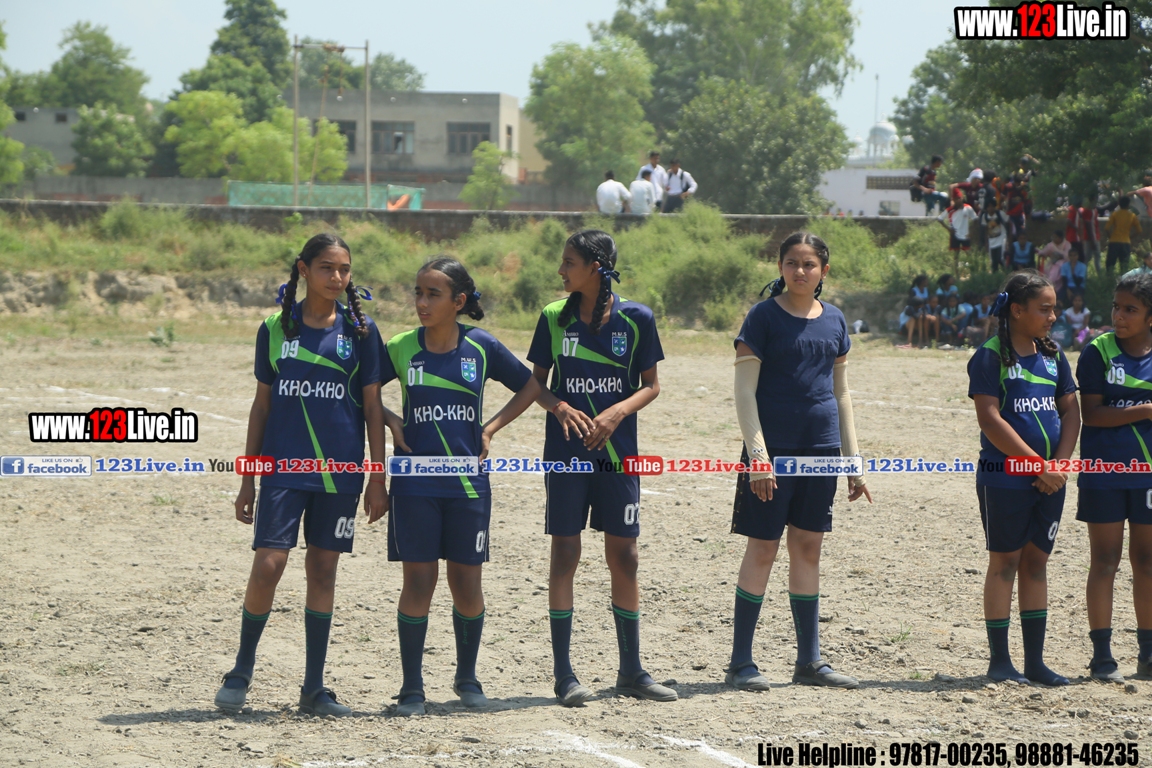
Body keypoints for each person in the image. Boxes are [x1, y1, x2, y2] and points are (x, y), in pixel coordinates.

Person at [214, 233, 388, 717]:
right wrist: (248, 478)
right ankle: (240, 670)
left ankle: (313, 687)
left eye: (345, 269)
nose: (337, 277)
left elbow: (373, 408)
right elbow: (261, 407)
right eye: (327, 267)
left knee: (323, 570)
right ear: (304, 269)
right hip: (284, 471)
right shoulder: (275, 328)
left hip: (340, 474)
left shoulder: (361, 331)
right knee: (269, 565)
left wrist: (377, 476)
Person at [380, 257, 541, 717]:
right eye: (418, 292)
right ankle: (411, 688)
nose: (421, 302)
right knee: (419, 580)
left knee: (467, 583)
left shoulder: (481, 346)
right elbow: (360, 390)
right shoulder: (400, 347)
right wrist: (391, 419)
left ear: (459, 301)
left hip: (468, 484)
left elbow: (531, 386)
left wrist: (491, 428)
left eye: (433, 294)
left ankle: (467, 678)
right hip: (414, 483)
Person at [526, 230, 673, 706]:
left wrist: (617, 412)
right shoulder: (553, 317)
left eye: (569, 262)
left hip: (618, 456)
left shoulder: (637, 318)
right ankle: (564, 675)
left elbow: (651, 385)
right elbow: (535, 384)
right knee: (565, 554)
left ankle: (631, 671)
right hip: (567, 455)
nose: (561, 270)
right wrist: (559, 407)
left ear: (595, 267)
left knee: (625, 556)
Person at [727, 231, 871, 692]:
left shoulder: (835, 320)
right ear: (780, 267)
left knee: (808, 548)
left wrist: (853, 461)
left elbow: (841, 394)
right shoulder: (763, 317)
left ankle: (809, 662)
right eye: (791, 263)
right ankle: (740, 663)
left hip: (821, 452)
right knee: (763, 547)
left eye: (809, 264)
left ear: (824, 270)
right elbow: (745, 392)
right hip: (772, 454)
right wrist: (758, 456)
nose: (800, 271)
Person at [967, 271, 1079, 686]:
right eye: (1044, 309)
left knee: (1036, 564)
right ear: (1016, 310)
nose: (1053, 316)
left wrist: (1059, 465)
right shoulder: (990, 356)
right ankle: (1000, 662)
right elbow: (990, 419)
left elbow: (1071, 412)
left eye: (1054, 308)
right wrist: (1038, 465)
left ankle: (1035, 662)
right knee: (1005, 563)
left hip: (1051, 480)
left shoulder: (1053, 355)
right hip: (1005, 479)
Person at [1076, 273, 1152, 682]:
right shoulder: (1098, 351)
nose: (1119, 316)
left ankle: (1148, 655)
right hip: (1104, 472)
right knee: (1104, 561)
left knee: (1147, 562)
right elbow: (1092, 415)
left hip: (1148, 476)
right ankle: (1102, 657)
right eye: (1116, 307)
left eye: (1130, 310)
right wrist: (1145, 410)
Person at [1106, 196, 1143, 274]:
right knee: (1124, 266)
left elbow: (1106, 228)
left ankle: (1109, 279)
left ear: (1119, 204)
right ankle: (1123, 280)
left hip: (1114, 242)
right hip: (1126, 242)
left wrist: (1110, 237)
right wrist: (1130, 237)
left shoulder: (1115, 214)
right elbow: (1139, 231)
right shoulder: (1132, 216)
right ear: (1128, 204)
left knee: (1110, 265)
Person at [984, 201, 1011, 272]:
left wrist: (1009, 237)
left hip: (1001, 239)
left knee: (1001, 258)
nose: (990, 208)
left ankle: (1006, 272)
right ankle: (995, 275)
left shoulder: (1000, 214)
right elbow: (985, 229)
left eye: (992, 206)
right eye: (988, 207)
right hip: (991, 241)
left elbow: (1009, 222)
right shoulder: (985, 216)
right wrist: (986, 242)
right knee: (993, 261)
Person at [1082, 200, 1103, 275]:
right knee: (1087, 258)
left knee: (1097, 257)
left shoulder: (1095, 210)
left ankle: (1100, 276)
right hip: (1089, 238)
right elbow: (1088, 226)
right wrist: (1092, 241)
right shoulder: (1087, 211)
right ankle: (1084, 276)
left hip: (1096, 237)